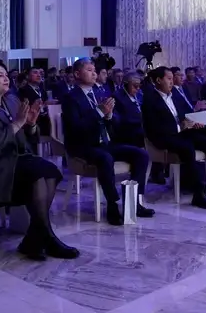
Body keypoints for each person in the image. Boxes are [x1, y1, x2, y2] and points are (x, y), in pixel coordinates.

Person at [0, 62, 78, 261]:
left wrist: (30, 125)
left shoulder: (11, 100)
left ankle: (35, 238)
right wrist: (17, 123)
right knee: (36, 174)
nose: (6, 78)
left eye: (6, 75)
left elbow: (24, 139)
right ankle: (46, 238)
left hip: (12, 161)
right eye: (0, 75)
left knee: (50, 171)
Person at [60, 58, 153, 226]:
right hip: (83, 145)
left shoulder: (99, 92)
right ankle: (112, 204)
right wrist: (99, 112)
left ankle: (134, 202)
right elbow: (75, 128)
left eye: (94, 70)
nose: (94, 73)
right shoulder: (70, 98)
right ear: (77, 74)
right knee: (105, 158)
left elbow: (116, 120)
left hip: (105, 142)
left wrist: (109, 116)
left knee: (141, 154)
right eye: (89, 70)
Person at [143, 67, 206, 206]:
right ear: (158, 80)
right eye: (169, 79)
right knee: (187, 149)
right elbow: (154, 127)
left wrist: (194, 121)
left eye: (172, 79)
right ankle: (198, 193)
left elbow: (184, 115)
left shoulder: (174, 95)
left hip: (183, 133)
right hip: (163, 137)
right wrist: (180, 127)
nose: (172, 82)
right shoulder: (149, 99)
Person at [112, 72, 145, 148]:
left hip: (141, 129)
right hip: (128, 133)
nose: (138, 88)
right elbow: (119, 121)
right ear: (126, 84)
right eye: (135, 85)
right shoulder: (117, 96)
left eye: (139, 85)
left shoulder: (140, 94)